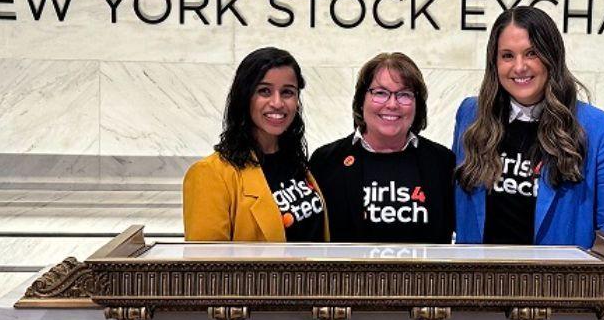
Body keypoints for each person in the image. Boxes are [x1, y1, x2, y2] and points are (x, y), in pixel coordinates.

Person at [454, 6, 604, 247]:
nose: (519, 67)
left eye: (531, 53)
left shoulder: (601, 130)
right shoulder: (471, 115)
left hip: (561, 282)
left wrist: (594, 278)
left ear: (552, 56)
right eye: (507, 55)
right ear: (494, 62)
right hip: (481, 281)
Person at [183, 47, 327, 242]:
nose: (277, 103)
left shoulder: (296, 161)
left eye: (287, 92)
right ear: (245, 97)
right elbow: (207, 270)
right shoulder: (210, 174)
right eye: (264, 91)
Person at [309, 52, 455, 243]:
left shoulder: (442, 162)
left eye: (404, 94)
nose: (392, 104)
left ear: (417, 105)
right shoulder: (326, 161)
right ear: (362, 100)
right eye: (380, 93)